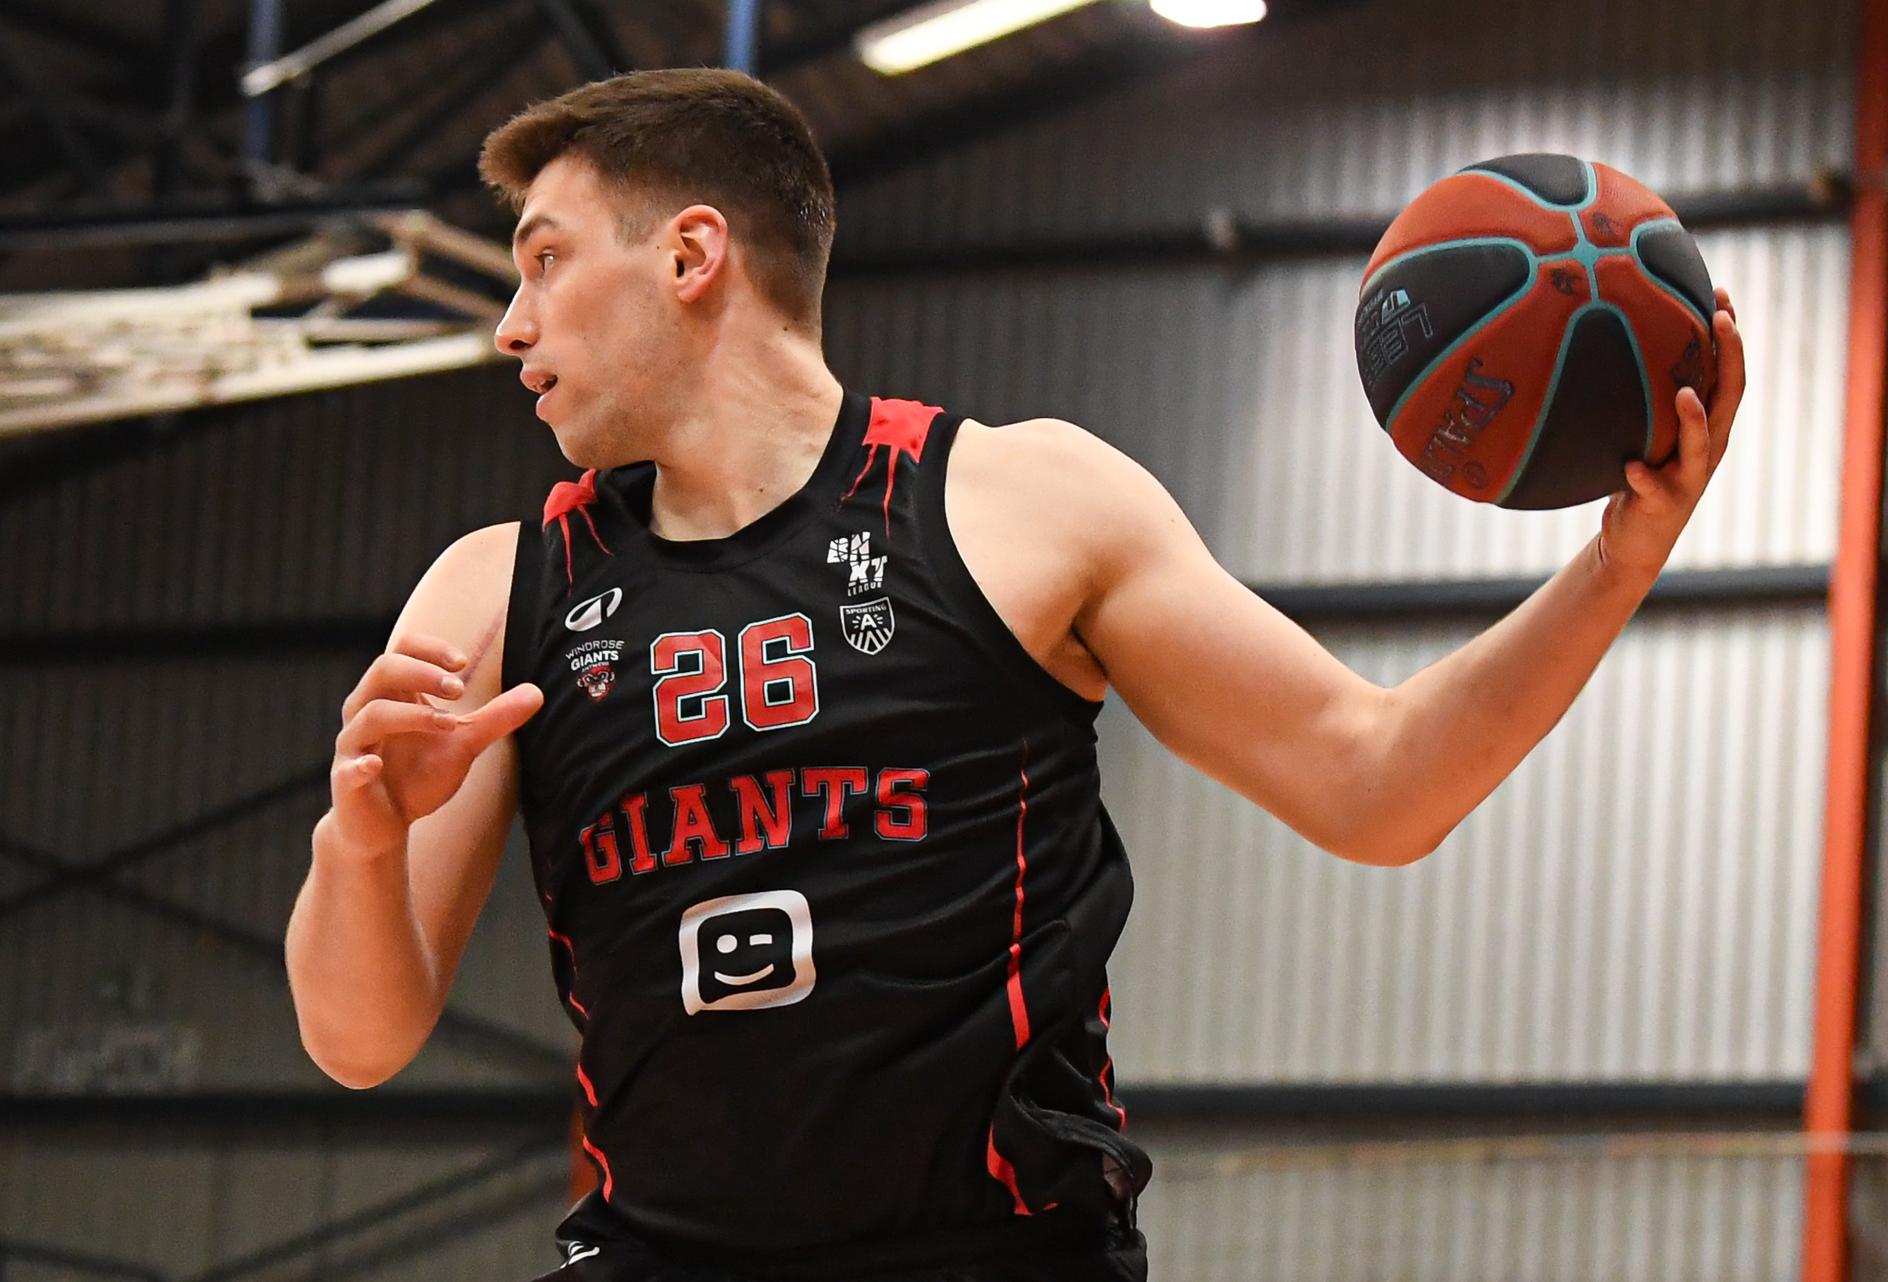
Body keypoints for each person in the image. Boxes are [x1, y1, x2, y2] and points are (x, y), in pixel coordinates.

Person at [284, 68, 1746, 1282]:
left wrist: (1620, 561)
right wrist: (362, 837)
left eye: (545, 258)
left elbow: (1377, 784)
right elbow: (358, 1040)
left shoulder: (1024, 504)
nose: (512, 321)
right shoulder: (496, 591)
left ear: (689, 255)